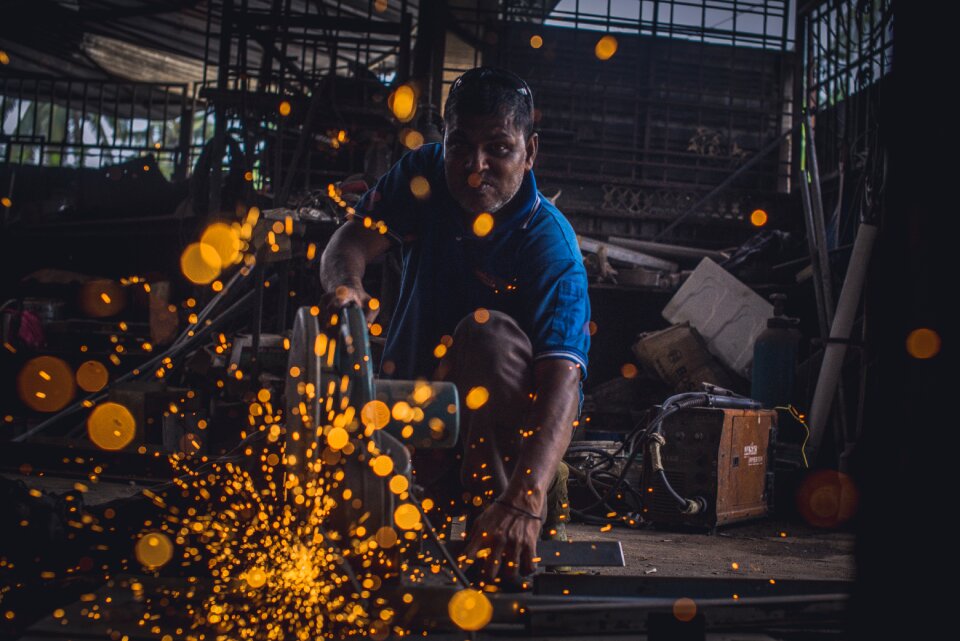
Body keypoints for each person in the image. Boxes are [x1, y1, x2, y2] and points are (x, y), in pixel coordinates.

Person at [319, 67, 590, 583]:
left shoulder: (551, 247)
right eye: (460, 146)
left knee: (485, 335)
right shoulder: (425, 176)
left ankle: (498, 517)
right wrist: (346, 287)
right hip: (415, 431)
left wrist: (525, 503)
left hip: (510, 468)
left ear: (530, 153)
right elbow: (349, 242)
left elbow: (564, 383)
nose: (474, 168)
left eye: (499, 150)